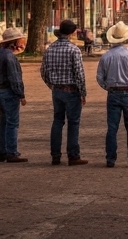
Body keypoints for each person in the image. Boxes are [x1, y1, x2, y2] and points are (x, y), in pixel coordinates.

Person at [96, 21, 128, 168]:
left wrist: (109, 87)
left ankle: (111, 159)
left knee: (112, 127)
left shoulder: (105, 56)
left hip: (113, 93)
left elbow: (100, 77)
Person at [41, 19, 87, 165]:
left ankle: (55, 155)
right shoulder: (74, 50)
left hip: (57, 90)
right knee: (73, 123)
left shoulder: (50, 49)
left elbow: (43, 71)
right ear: (73, 32)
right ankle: (73, 155)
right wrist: (82, 92)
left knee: (57, 121)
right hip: (71, 90)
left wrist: (51, 84)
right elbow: (79, 74)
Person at [0, 26, 28, 163]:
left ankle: (2, 151)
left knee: (4, 121)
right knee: (12, 122)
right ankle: (11, 152)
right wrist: (21, 94)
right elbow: (14, 77)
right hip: (8, 92)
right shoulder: (9, 57)